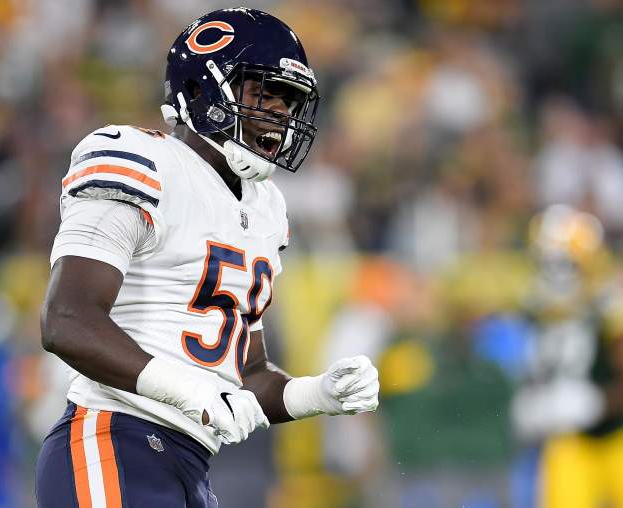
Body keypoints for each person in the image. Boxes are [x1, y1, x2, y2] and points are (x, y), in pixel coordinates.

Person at [35, 8, 379, 508]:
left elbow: (247, 373)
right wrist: (189, 392)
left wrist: (316, 395)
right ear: (200, 90)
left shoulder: (265, 208)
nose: (279, 111)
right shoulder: (142, 161)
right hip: (112, 440)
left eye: (288, 99)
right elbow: (66, 319)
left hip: (189, 464)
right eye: (262, 92)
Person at [510, 205, 623, 508]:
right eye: (546, 261)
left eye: (561, 262)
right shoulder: (536, 305)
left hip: (618, 437)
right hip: (568, 441)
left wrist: (596, 403)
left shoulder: (609, 301)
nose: (553, 271)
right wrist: (532, 401)